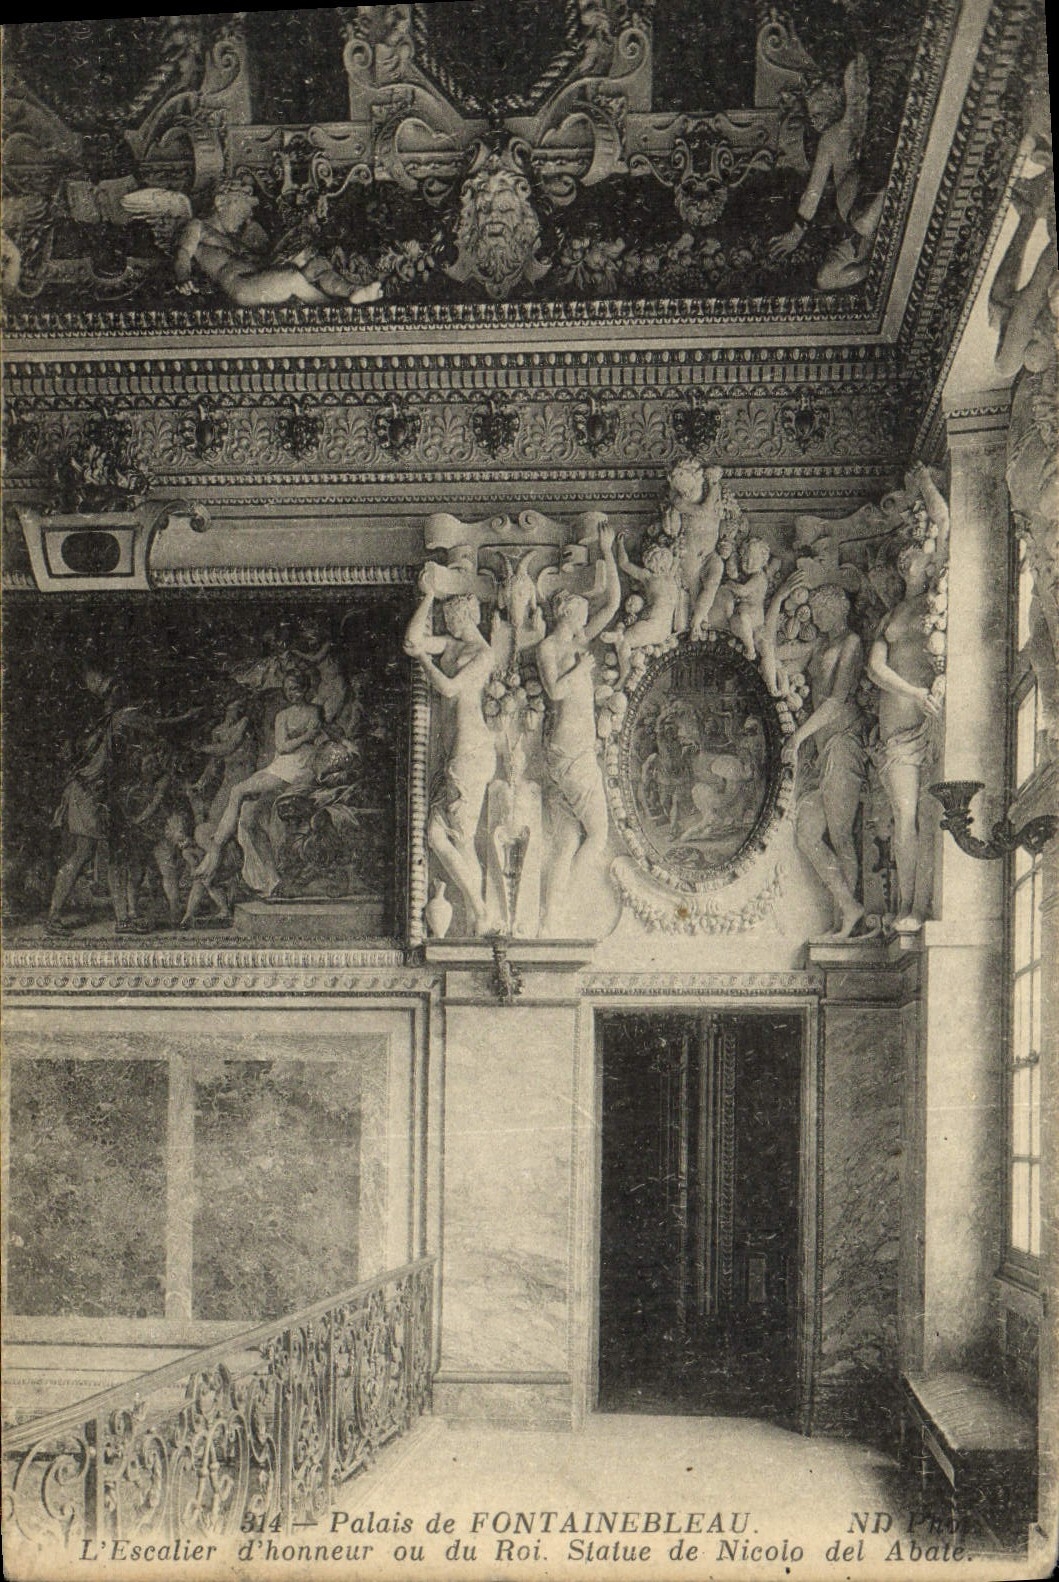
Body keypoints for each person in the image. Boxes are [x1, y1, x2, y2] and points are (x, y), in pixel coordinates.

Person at [769, 576, 877, 940]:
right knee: (807, 834)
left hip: (843, 741)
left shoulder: (852, 642)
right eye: (813, 610)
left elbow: (837, 700)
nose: (815, 617)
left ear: (837, 609)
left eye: (820, 610)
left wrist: (798, 737)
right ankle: (849, 908)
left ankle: (847, 921)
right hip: (821, 748)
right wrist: (779, 597)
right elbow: (771, 650)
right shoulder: (819, 645)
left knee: (841, 833)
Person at [536, 517, 620, 932]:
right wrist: (580, 670)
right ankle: (566, 905)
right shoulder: (550, 647)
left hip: (573, 750)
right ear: (567, 612)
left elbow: (614, 604)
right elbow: (554, 691)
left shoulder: (579, 640)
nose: (587, 615)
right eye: (582, 610)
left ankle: (551, 918)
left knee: (567, 841)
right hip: (570, 751)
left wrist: (607, 553)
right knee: (598, 835)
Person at [867, 502, 946, 929]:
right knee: (902, 818)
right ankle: (905, 906)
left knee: (921, 817)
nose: (910, 562)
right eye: (909, 558)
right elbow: (874, 669)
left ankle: (916, 908)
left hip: (923, 725)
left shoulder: (935, 604)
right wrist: (913, 691)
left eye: (917, 556)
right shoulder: (892, 614)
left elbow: (946, 527)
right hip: (894, 730)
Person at [404, 577, 497, 935]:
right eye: (445, 617)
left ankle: (480, 912)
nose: (449, 623)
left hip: (471, 750)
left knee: (443, 835)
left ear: (468, 615)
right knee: (452, 838)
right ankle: (479, 916)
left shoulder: (483, 654)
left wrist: (424, 660)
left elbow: (448, 687)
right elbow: (411, 640)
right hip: (456, 752)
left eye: (453, 617)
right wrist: (429, 595)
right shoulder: (451, 646)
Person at [194, 668, 326, 886]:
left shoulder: (315, 711)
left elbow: (291, 745)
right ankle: (271, 881)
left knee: (238, 791)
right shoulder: (282, 715)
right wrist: (306, 735)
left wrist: (301, 739)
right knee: (247, 819)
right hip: (281, 765)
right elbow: (282, 746)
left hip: (299, 768)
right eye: (288, 690)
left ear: (305, 688)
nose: (292, 693)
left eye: (296, 688)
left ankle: (213, 855)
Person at [171, 180, 383, 307]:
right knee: (291, 278)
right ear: (221, 202)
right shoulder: (198, 226)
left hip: (260, 277)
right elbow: (183, 253)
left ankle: (353, 291)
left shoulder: (236, 239)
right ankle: (335, 308)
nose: (247, 215)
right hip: (241, 287)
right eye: (243, 207)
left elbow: (264, 260)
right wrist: (183, 277)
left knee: (316, 263)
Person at [602, 535, 681, 682]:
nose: (650, 564)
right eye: (650, 560)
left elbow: (624, 564)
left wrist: (620, 544)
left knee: (624, 642)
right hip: (660, 628)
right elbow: (624, 563)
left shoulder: (654, 576)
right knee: (624, 640)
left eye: (653, 560)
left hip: (655, 626)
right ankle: (624, 662)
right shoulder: (662, 576)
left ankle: (624, 674)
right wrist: (620, 544)